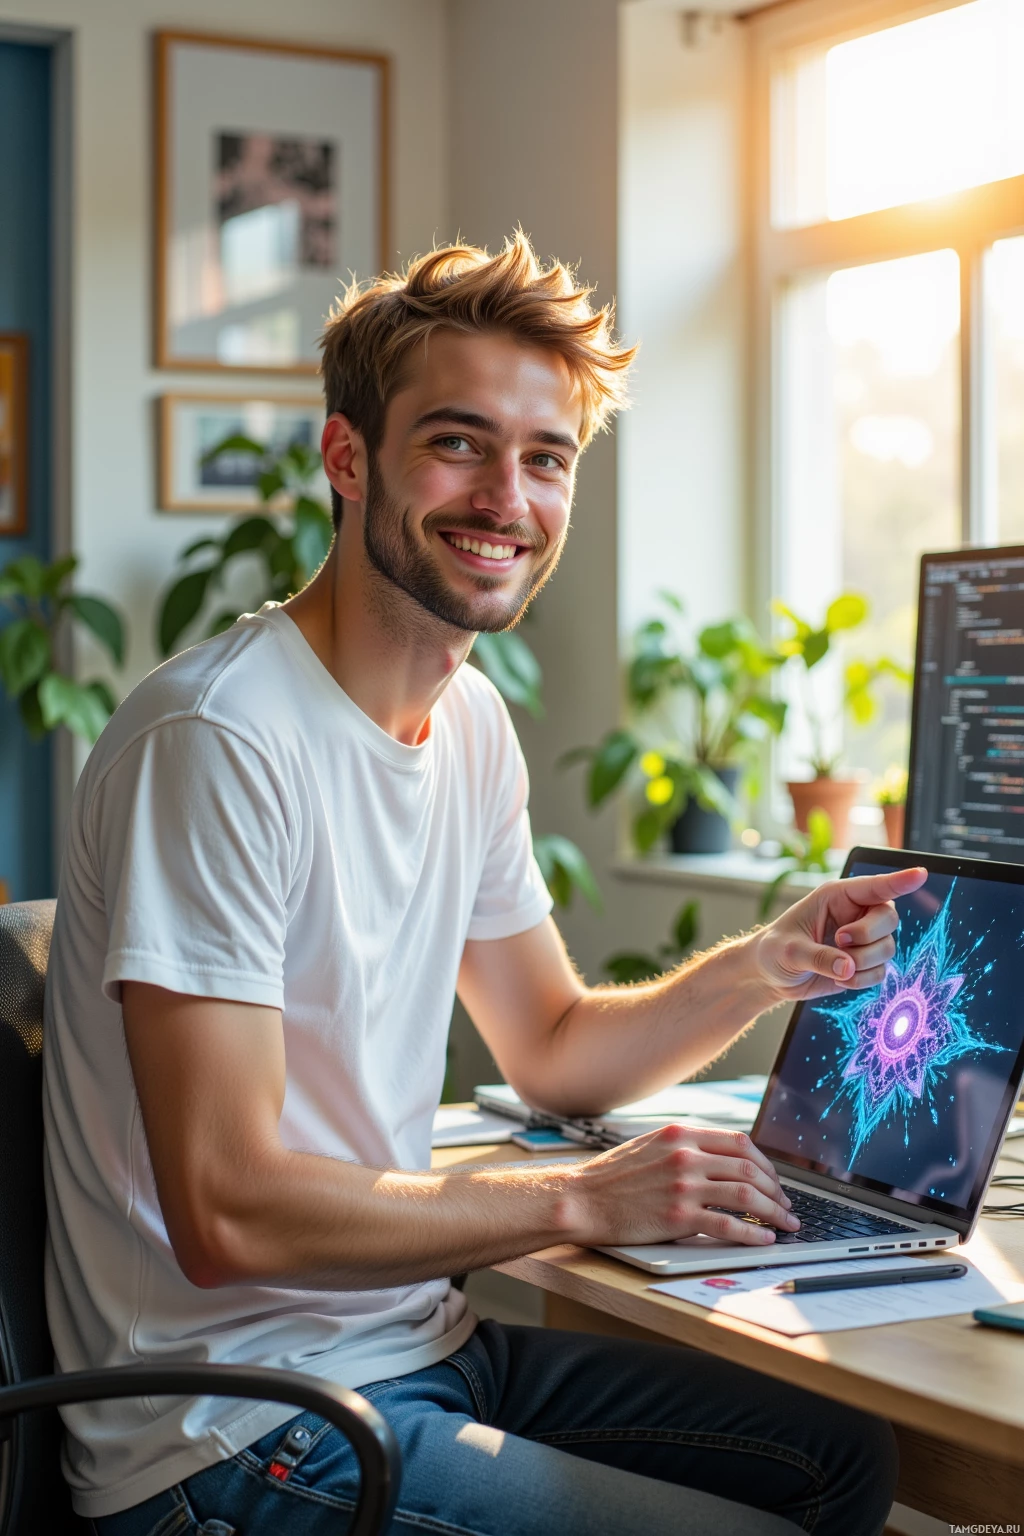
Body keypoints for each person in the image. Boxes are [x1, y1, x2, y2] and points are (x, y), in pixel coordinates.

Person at [44, 233, 915, 1536]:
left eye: (546, 457)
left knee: (844, 1461)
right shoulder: (220, 742)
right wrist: (575, 1196)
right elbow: (224, 1205)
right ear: (350, 459)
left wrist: (762, 961)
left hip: (413, 1346)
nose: (507, 496)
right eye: (458, 442)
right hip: (228, 1425)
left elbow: (554, 1049)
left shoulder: (469, 728)